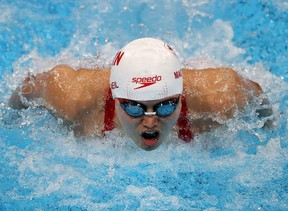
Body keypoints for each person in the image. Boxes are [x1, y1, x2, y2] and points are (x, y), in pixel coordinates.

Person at [9, 38, 272, 151]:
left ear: (181, 99)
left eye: (165, 107)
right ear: (115, 98)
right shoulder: (71, 96)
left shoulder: (220, 95)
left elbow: (257, 95)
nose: (149, 122)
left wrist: (271, 127)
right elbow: (27, 89)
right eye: (134, 108)